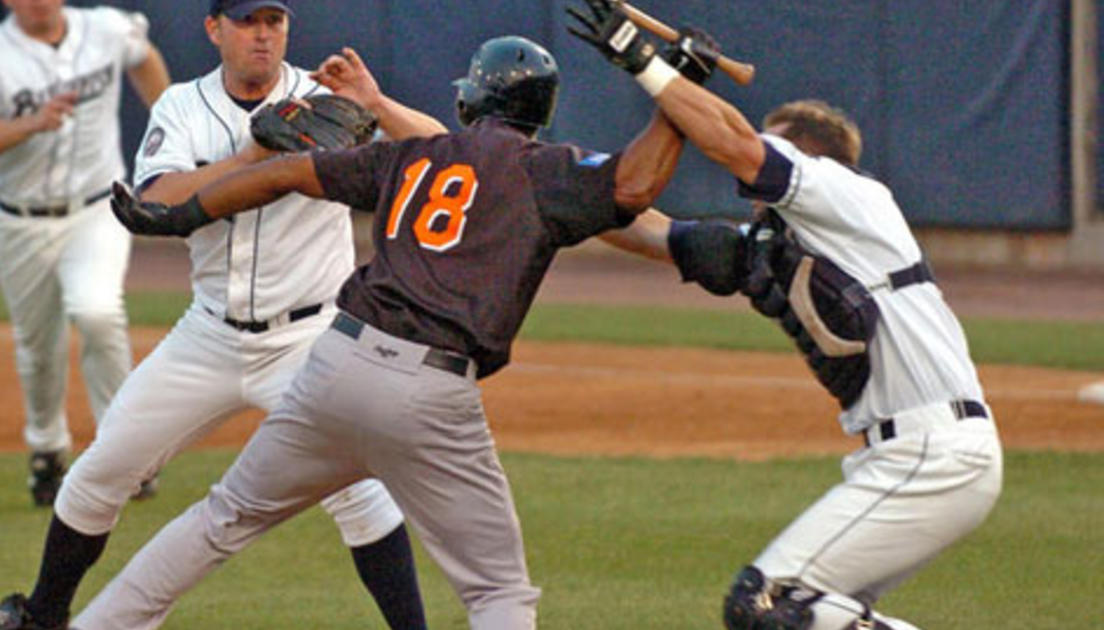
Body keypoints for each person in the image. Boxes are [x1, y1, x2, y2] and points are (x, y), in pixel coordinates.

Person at [91, 33, 683, 629]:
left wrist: (182, 214)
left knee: (222, 518)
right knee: (498, 593)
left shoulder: (413, 157)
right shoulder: (544, 173)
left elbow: (287, 171)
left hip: (335, 365)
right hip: (432, 390)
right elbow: (634, 187)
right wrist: (672, 90)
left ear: (471, 100)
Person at [0, 2, 443, 630]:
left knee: (360, 495)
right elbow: (159, 198)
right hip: (208, 335)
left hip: (310, 338)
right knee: (101, 471)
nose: (263, 34)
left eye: (274, 20)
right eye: (246, 21)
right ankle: (43, 617)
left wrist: (378, 103)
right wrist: (253, 154)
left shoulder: (324, 97)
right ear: (214, 29)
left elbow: (448, 153)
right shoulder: (181, 106)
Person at [569, 2, 1004, 628]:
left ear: (811, 159)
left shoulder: (849, 196)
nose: (750, 193)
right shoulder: (793, 249)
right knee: (816, 611)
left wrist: (646, 65)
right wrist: (552, 182)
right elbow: (654, 232)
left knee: (764, 604)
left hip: (935, 451)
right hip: (914, 456)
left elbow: (733, 143)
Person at [0, 0, 170, 506]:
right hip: (19, 220)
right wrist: (29, 124)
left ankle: (125, 453)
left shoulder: (106, 29)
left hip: (96, 208)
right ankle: (47, 448)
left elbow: (143, 55)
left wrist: (169, 121)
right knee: (38, 345)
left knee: (97, 312)